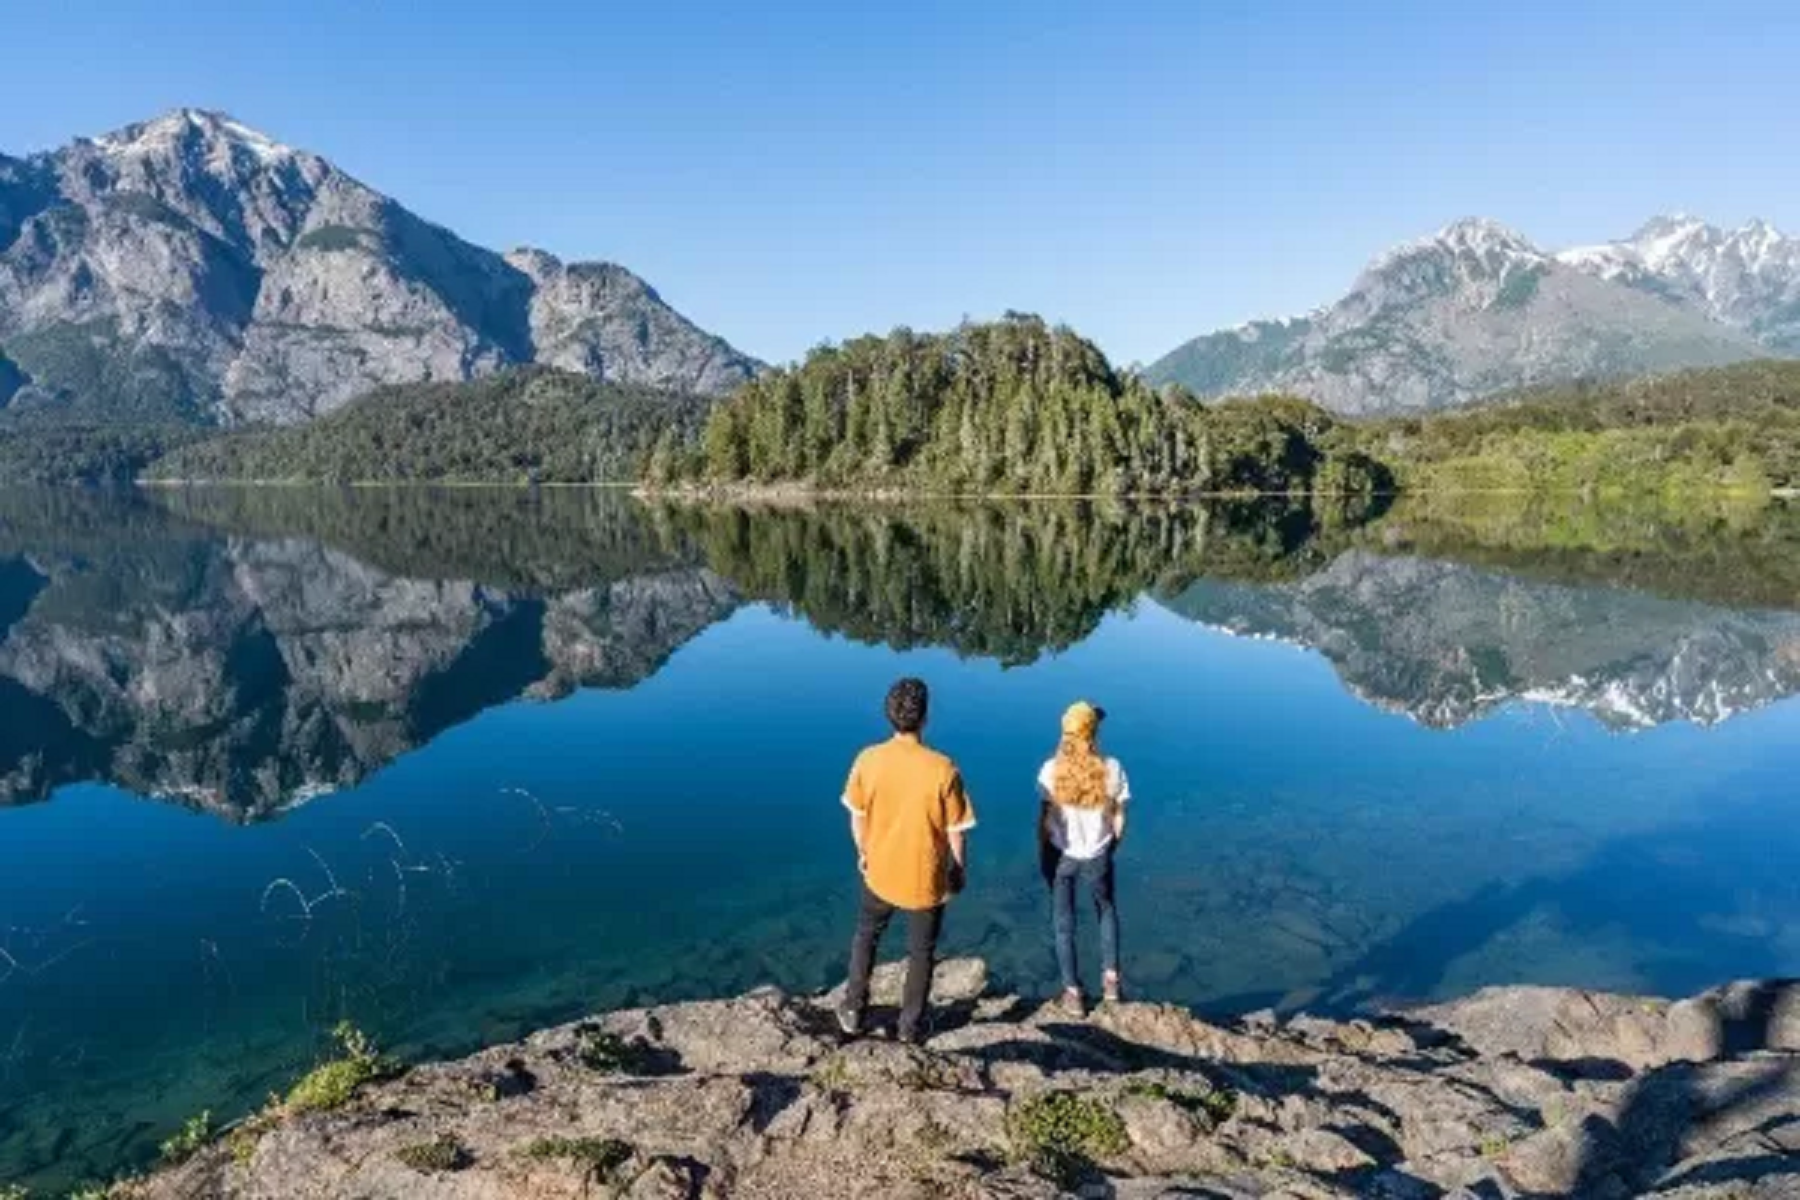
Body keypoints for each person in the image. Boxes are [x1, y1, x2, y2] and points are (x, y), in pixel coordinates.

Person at [837, 677, 977, 1044]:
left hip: (879, 872)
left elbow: (856, 814)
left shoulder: (869, 759)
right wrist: (957, 870)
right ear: (925, 717)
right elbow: (956, 831)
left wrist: (864, 852)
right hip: (925, 878)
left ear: (889, 715)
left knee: (867, 936)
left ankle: (853, 1008)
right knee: (921, 953)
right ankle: (910, 1028)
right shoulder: (943, 769)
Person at [1038, 700, 1129, 1014]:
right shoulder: (1112, 768)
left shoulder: (1051, 771)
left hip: (1062, 856)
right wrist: (1110, 847)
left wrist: (1044, 855)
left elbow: (1045, 820)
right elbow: (1119, 819)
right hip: (1098, 856)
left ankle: (1073, 994)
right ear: (1093, 733)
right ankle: (1112, 981)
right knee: (1105, 910)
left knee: (1064, 925)